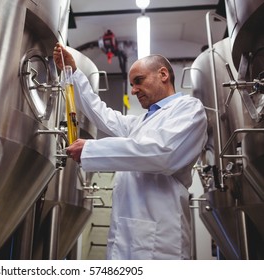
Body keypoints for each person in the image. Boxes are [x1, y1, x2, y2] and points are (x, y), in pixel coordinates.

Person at [53, 43, 208, 260]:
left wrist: (89, 149)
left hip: (160, 239)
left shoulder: (189, 109)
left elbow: (163, 153)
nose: (133, 90)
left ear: (163, 74)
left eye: (138, 81)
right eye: (132, 84)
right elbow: (100, 114)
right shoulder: (140, 123)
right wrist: (74, 74)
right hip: (124, 232)